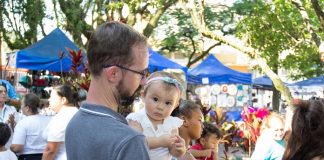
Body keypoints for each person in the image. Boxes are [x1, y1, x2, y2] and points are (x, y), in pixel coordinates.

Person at [65, 21, 150, 160]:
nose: (144, 81)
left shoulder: (74, 123)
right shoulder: (129, 141)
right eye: (141, 73)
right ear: (113, 74)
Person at [126, 71, 186, 160]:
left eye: (168, 103)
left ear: (175, 106)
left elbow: (173, 152)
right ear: (143, 96)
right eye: (155, 99)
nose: (160, 107)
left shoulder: (172, 124)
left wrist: (180, 149)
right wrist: (159, 141)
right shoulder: (136, 119)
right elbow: (136, 144)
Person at [11, 93, 52, 160]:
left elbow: (17, 147)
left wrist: (9, 148)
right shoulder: (49, 120)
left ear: (27, 108)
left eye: (22, 104)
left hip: (28, 157)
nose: (21, 107)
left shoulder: (23, 123)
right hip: (48, 156)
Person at [42, 85, 78, 160]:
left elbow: (50, 150)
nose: (49, 100)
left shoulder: (62, 117)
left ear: (63, 100)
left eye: (52, 97)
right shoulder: (77, 113)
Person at [0, 82, 18, 149]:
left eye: (5, 91)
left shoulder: (12, 109)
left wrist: (13, 123)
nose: (4, 93)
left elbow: (17, 131)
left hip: (8, 147)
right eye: (0, 91)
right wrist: (6, 123)